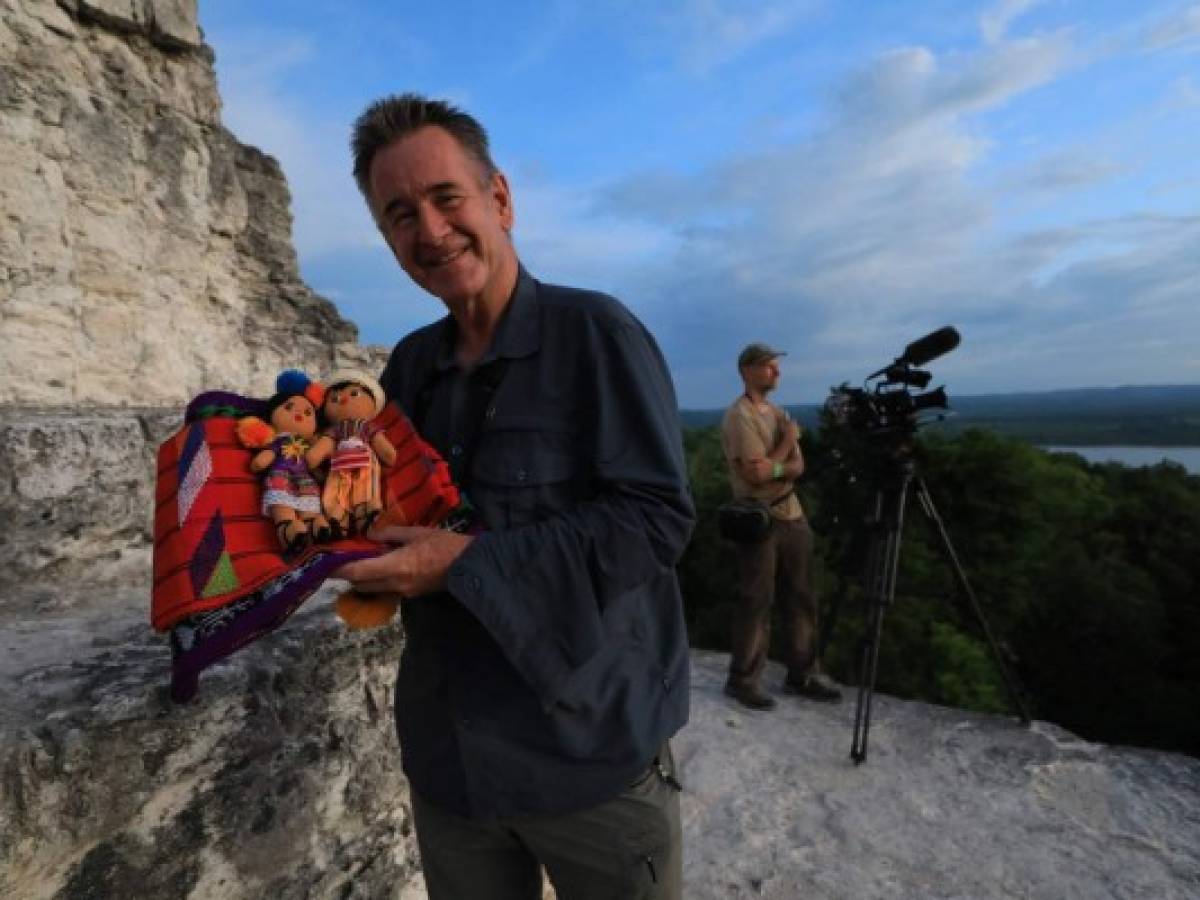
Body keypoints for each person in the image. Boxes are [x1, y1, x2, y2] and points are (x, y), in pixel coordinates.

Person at [334, 94, 694, 900]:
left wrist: (462, 563)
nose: (428, 231)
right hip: (452, 765)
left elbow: (657, 520)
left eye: (445, 198)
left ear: (499, 199)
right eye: (398, 215)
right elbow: (385, 518)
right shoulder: (408, 371)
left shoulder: (595, 334)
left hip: (588, 755)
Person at [719, 343, 841, 710]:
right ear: (747, 370)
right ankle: (743, 680)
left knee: (802, 596)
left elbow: (797, 468)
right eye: (769, 366)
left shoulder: (778, 413)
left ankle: (803, 673)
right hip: (759, 519)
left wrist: (778, 465)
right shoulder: (741, 417)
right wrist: (787, 445)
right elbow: (755, 475)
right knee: (757, 600)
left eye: (776, 367)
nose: (777, 373)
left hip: (792, 514)